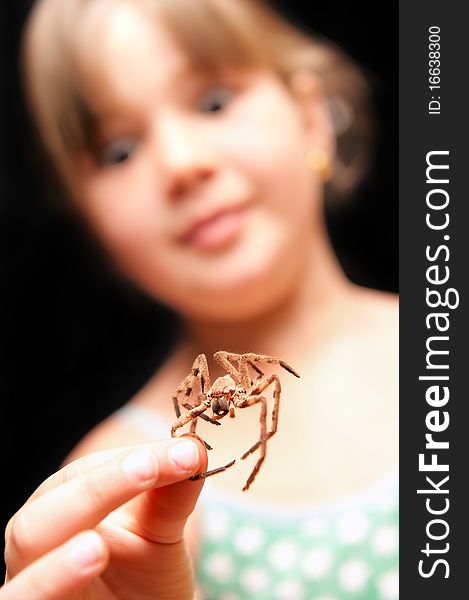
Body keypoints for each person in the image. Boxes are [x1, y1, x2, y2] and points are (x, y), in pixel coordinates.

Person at [3, 0, 398, 598]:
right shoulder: (125, 487)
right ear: (91, 224)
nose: (182, 164)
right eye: (119, 152)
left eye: (214, 102)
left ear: (313, 117)